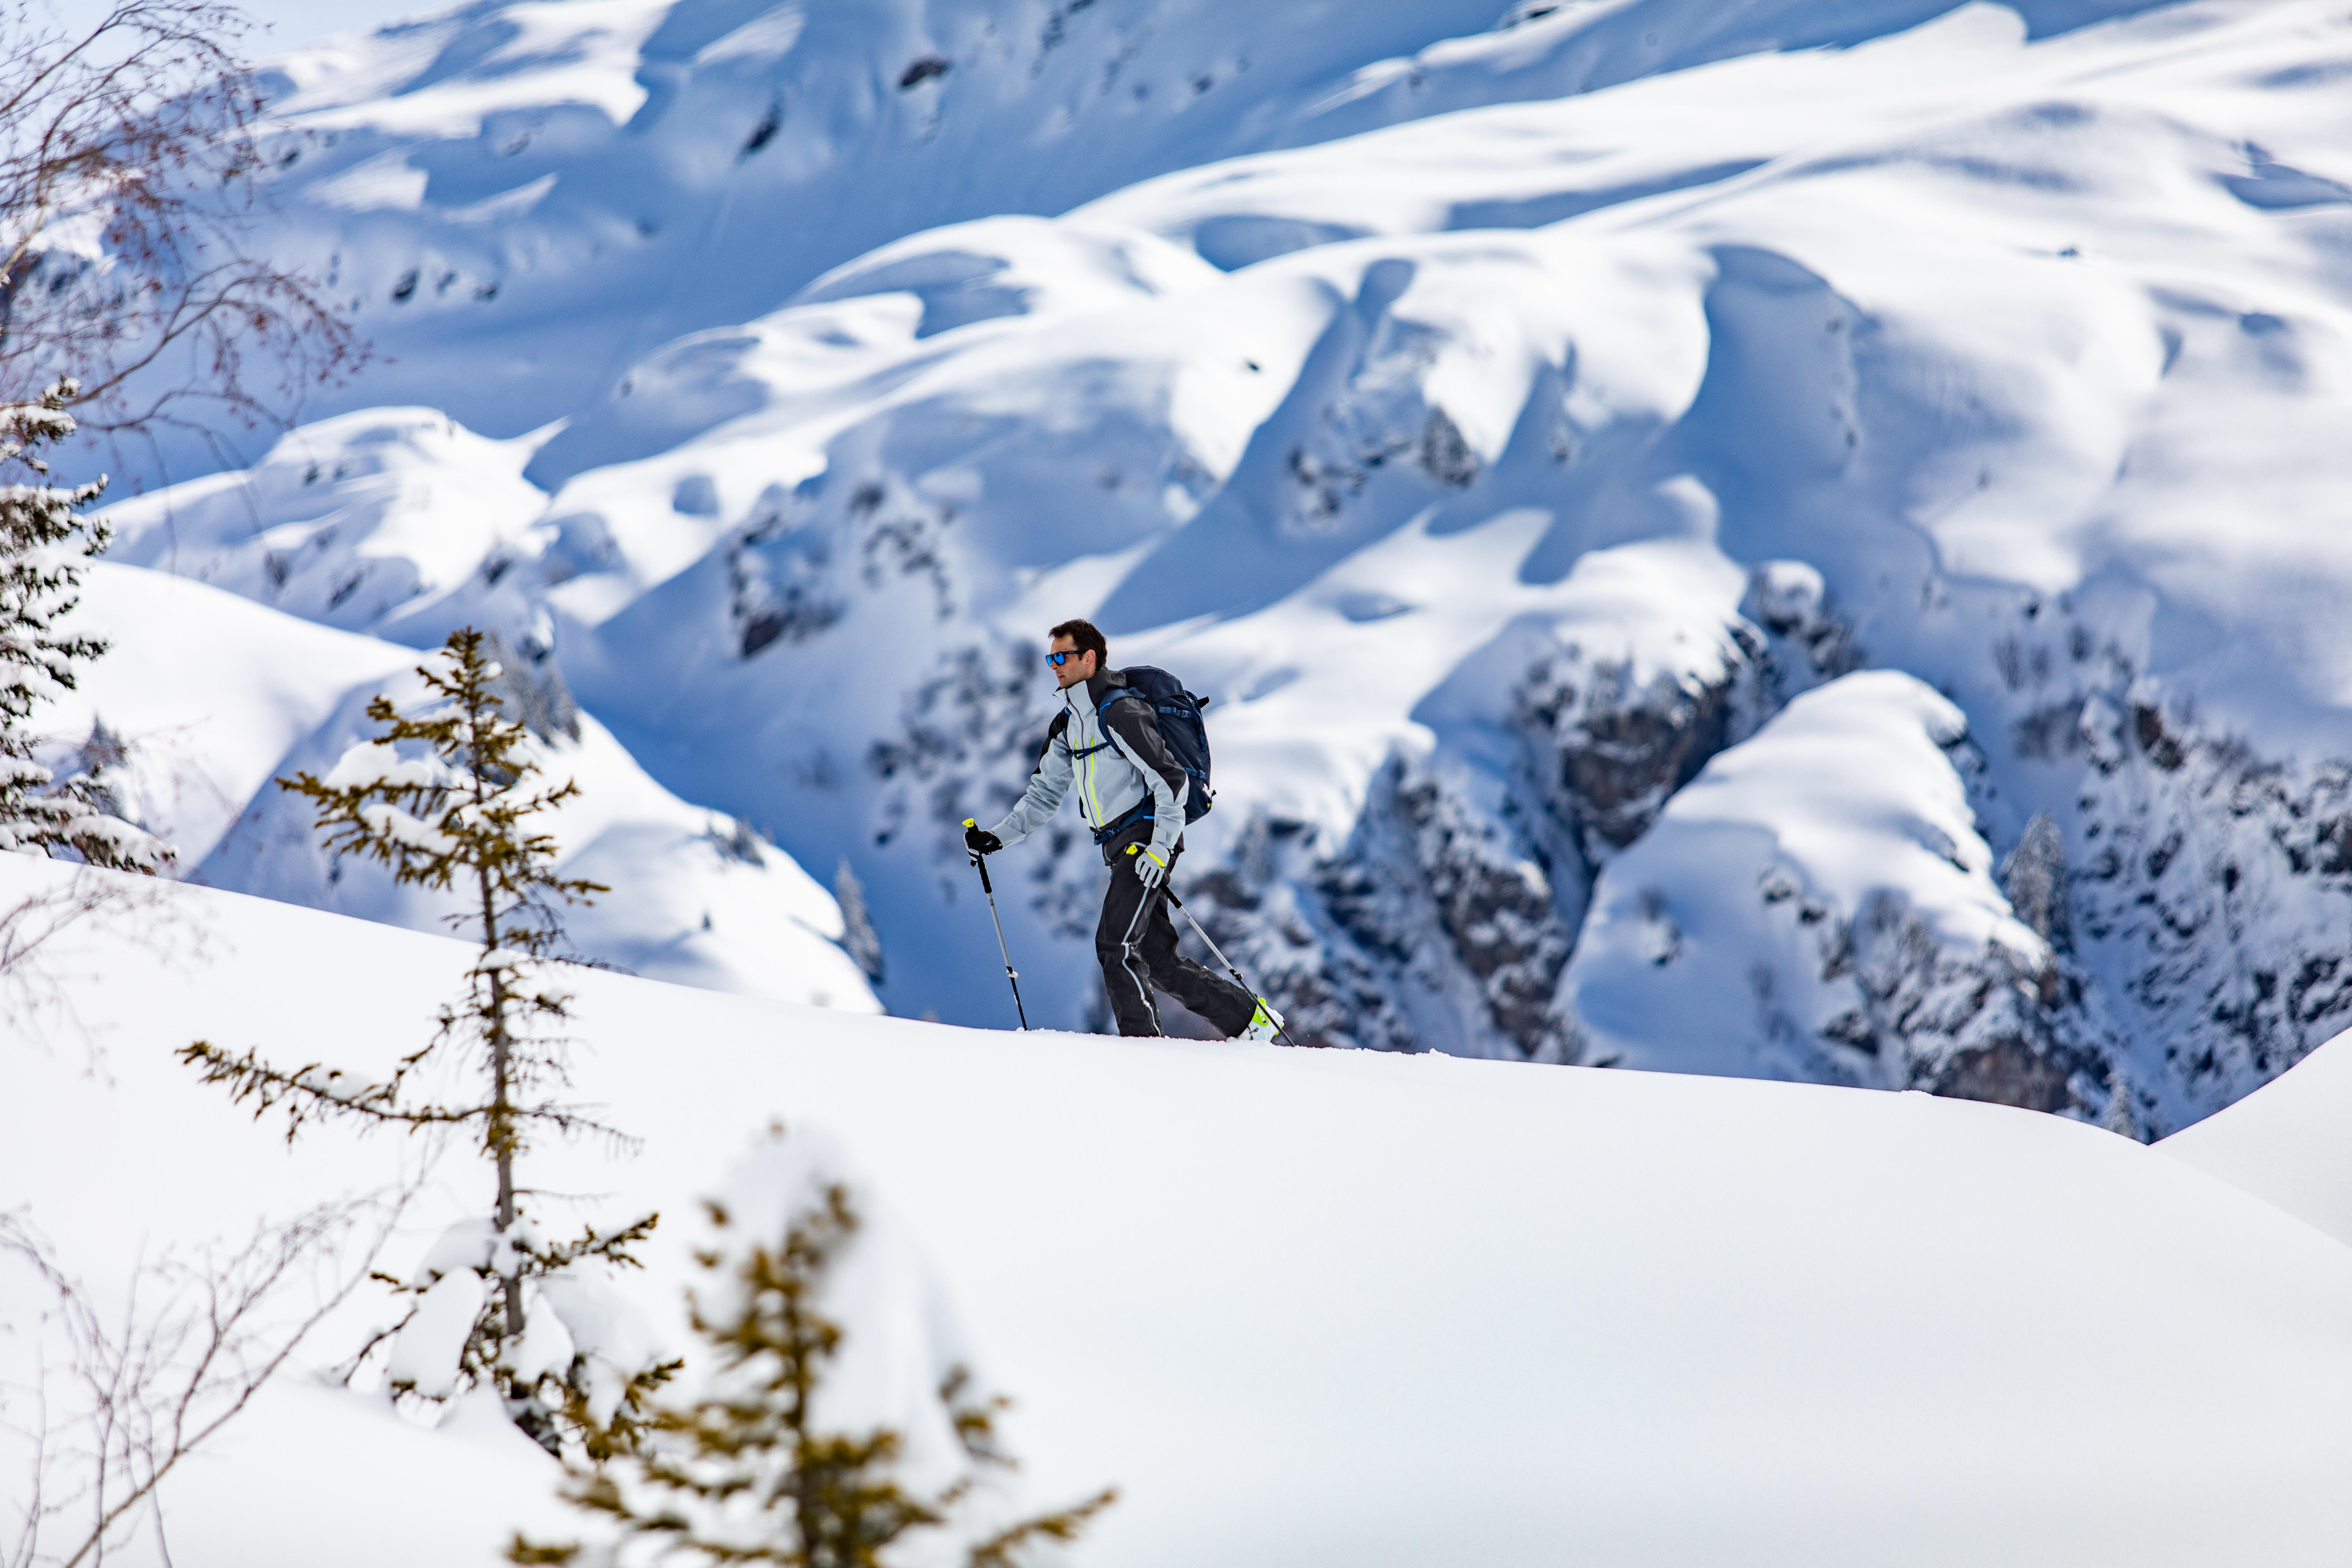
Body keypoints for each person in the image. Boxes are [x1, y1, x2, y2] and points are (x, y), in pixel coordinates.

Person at [965, 618, 1282, 1041]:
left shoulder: (1119, 711)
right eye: (1050, 658)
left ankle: (1143, 1050)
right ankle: (1253, 1021)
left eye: (1062, 656)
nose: (1054, 666)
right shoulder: (1067, 726)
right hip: (1118, 845)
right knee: (1158, 957)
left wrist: (1160, 849)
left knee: (1115, 946)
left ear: (1089, 658)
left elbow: (1171, 781)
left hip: (1145, 838)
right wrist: (997, 837)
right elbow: (1043, 795)